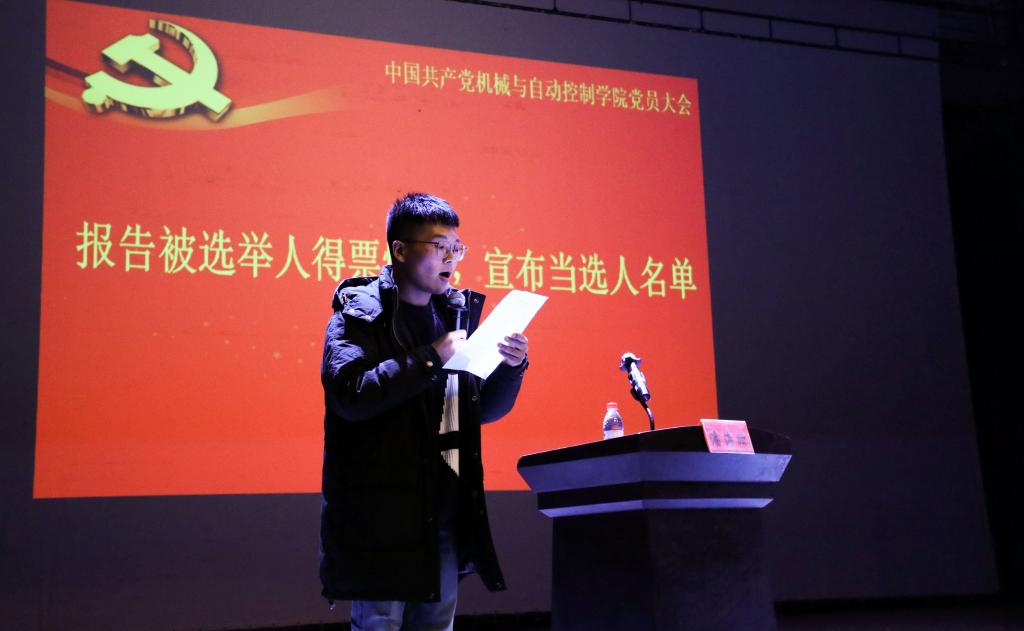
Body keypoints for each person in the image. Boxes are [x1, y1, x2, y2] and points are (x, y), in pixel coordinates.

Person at [319, 192, 530, 630]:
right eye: (439, 246)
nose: (451, 257)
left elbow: (478, 411)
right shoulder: (359, 313)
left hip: (444, 511)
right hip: (382, 518)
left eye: (457, 247)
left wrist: (511, 368)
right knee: (379, 625)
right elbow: (350, 395)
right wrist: (431, 357)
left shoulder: (454, 318)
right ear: (399, 250)